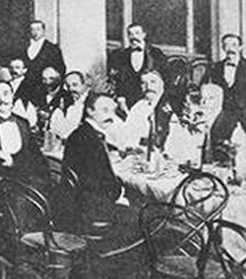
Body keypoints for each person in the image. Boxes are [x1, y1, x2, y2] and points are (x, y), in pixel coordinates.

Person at [63, 93, 133, 234]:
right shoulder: (89, 139)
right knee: (145, 213)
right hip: (92, 208)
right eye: (105, 110)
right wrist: (122, 194)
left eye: (113, 111)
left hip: (82, 202)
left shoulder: (84, 133)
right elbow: (99, 182)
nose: (111, 116)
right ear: (90, 111)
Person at [107, 23, 169, 109]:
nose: (133, 36)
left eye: (137, 33)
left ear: (144, 35)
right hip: (129, 100)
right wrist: (121, 99)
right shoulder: (121, 56)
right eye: (130, 34)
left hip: (152, 100)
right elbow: (117, 80)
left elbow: (166, 77)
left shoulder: (156, 54)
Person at [202, 33, 246, 141]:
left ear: (241, 47)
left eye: (234, 45)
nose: (230, 49)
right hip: (226, 110)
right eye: (226, 45)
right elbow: (205, 87)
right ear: (222, 48)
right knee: (217, 137)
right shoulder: (215, 68)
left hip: (245, 109)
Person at [119, 70, 175, 150]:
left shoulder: (172, 105)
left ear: (162, 84)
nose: (148, 86)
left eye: (153, 82)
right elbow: (128, 134)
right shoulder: (138, 107)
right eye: (143, 83)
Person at [23, 20, 66, 103]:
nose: (35, 32)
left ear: (43, 31)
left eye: (38, 29)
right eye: (32, 30)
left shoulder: (52, 49)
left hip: (44, 88)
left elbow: (61, 69)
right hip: (27, 88)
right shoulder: (26, 48)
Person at [49, 71, 91, 141]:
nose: (71, 89)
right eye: (68, 86)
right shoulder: (70, 103)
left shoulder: (93, 101)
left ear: (84, 84)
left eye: (75, 85)